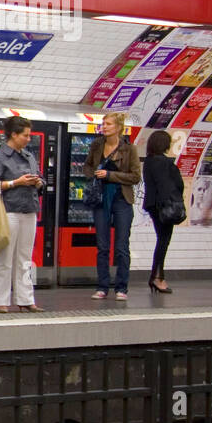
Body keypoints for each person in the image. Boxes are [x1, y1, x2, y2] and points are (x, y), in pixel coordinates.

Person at [0, 116, 46, 313]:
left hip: (29, 210)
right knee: (5, 257)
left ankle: (26, 298)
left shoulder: (29, 156)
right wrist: (16, 182)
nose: (29, 139)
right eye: (25, 135)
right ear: (13, 134)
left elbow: (42, 179)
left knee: (26, 257)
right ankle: (1, 300)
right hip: (8, 211)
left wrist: (38, 182)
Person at [86, 111, 141, 301]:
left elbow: (135, 177)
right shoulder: (96, 145)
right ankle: (102, 286)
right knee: (102, 245)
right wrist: (94, 173)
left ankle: (121, 287)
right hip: (101, 198)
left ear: (118, 127)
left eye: (108, 123)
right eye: (103, 123)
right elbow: (86, 167)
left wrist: (110, 176)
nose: (104, 126)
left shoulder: (129, 149)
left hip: (121, 199)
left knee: (121, 246)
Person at [141, 129, 184, 295]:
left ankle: (156, 276)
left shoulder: (149, 162)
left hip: (152, 205)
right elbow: (176, 184)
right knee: (163, 242)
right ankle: (158, 278)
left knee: (161, 240)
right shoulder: (165, 163)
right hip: (165, 206)